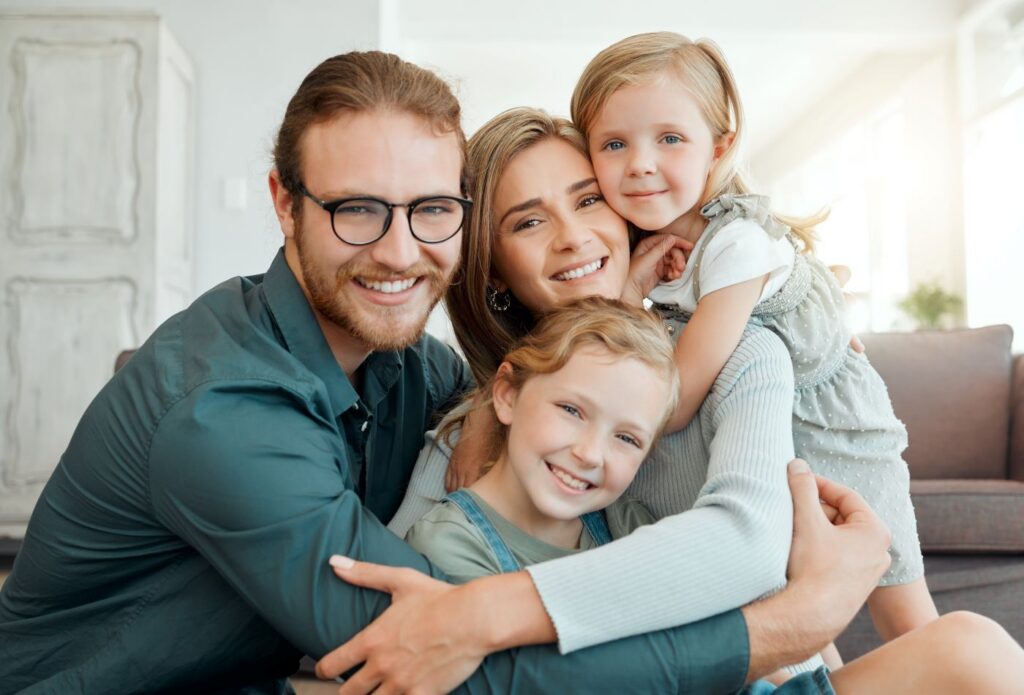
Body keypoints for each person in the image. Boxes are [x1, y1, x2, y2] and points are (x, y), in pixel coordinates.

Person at [0, 50, 895, 694]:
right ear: (284, 203)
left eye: (431, 210)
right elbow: (444, 670)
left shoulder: (415, 371)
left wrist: (796, 313)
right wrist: (795, 619)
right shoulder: (222, 413)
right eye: (357, 209)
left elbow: (520, 391)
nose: (399, 250)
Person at [328, 106, 1024, 693]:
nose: (573, 234)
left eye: (588, 198)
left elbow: (748, 546)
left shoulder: (742, 348)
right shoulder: (474, 431)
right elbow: (387, 607)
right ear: (494, 272)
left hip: (761, 674)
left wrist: (483, 612)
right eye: (528, 221)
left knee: (973, 649)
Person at [569, 31, 937, 649]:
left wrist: (622, 304)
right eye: (614, 143)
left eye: (670, 139)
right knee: (793, 616)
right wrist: (631, 285)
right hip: (755, 438)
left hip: (830, 428)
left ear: (720, 146)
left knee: (900, 604)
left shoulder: (735, 243)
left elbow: (678, 397)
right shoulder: (643, 245)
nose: (639, 163)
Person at [406, 298, 678, 583]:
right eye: (571, 410)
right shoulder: (447, 547)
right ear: (508, 395)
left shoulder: (629, 526)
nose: (591, 454)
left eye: (626, 438)